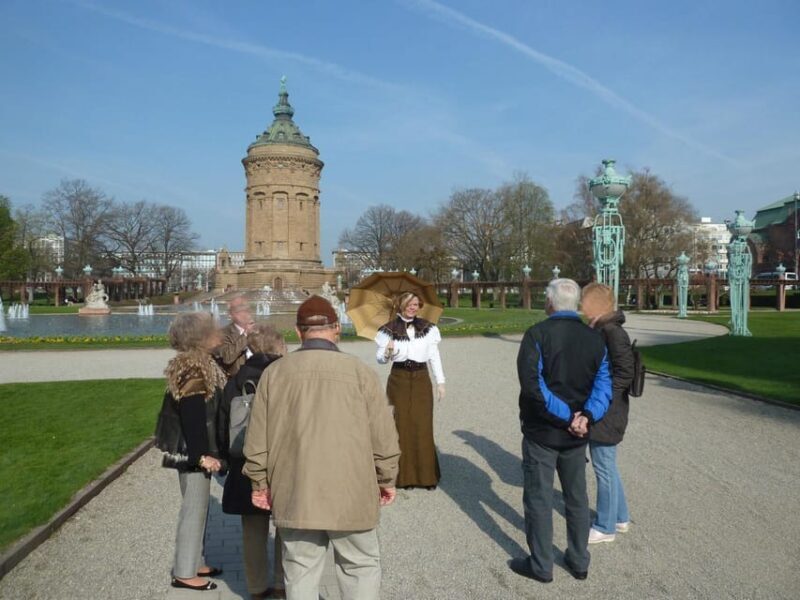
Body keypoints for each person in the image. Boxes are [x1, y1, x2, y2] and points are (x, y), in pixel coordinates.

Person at [243, 295, 400, 600]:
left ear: (299, 332)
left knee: (300, 569)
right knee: (360, 566)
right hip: (351, 490)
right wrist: (386, 478)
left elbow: (257, 438)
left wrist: (259, 483)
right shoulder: (360, 372)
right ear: (337, 328)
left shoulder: (275, 374)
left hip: (296, 488)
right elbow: (383, 436)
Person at [509, 279, 612, 583]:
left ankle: (541, 565)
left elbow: (533, 386)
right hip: (577, 431)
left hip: (545, 430)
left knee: (540, 498)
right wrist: (586, 417)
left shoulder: (537, 334)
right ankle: (579, 560)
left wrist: (569, 416)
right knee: (576, 498)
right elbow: (603, 384)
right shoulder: (594, 337)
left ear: (550, 303)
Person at [218, 323, 287, 599]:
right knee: (286, 526)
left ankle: (257, 587)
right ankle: (284, 583)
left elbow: (224, 422)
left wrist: (225, 457)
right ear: (278, 346)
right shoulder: (285, 375)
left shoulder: (237, 378)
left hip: (246, 460)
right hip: (282, 459)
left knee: (253, 529)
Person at [164, 312, 227, 591]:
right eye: (214, 330)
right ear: (200, 338)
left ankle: (195, 560)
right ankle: (185, 573)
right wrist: (202, 455)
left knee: (199, 508)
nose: (219, 333)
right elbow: (192, 413)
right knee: (194, 508)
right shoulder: (194, 367)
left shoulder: (201, 362)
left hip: (195, 447)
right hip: (193, 449)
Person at [580, 283, 635, 544]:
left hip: (607, 410)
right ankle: (621, 517)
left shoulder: (612, 332)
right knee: (607, 465)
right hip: (604, 407)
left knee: (603, 467)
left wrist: (602, 396)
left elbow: (625, 372)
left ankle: (605, 526)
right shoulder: (601, 328)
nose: (581, 306)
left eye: (585, 302)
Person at [374, 291, 445, 489]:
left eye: (416, 304)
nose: (414, 307)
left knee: (422, 424)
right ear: (401, 305)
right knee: (401, 425)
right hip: (399, 380)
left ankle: (426, 477)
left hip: (422, 378)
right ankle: (404, 477)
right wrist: (387, 351)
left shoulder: (428, 329)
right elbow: (379, 360)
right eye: (410, 304)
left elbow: (434, 356)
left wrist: (440, 381)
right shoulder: (388, 330)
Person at [216, 295, 255, 377]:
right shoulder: (223, 333)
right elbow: (227, 358)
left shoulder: (258, 331)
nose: (243, 313)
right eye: (238, 310)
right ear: (231, 314)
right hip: (236, 382)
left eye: (245, 309)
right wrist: (245, 335)